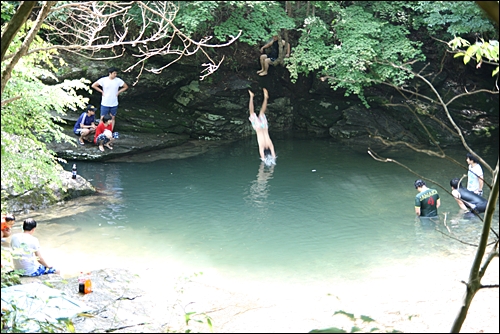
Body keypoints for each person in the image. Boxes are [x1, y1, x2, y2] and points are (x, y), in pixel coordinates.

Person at [91, 66, 128, 131]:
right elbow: (94, 85)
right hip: (105, 102)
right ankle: (99, 131)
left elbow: (125, 86)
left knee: (112, 117)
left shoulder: (118, 80)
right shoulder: (103, 80)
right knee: (102, 117)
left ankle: (110, 130)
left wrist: (119, 92)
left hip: (114, 102)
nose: (115, 75)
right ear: (110, 73)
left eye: (116, 73)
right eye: (114, 73)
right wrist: (101, 91)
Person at [248, 88, 276, 163]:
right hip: (258, 128)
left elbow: (273, 154)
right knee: (252, 113)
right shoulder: (262, 146)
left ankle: (266, 98)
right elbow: (263, 157)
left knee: (262, 112)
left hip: (264, 127)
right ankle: (251, 96)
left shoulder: (270, 144)